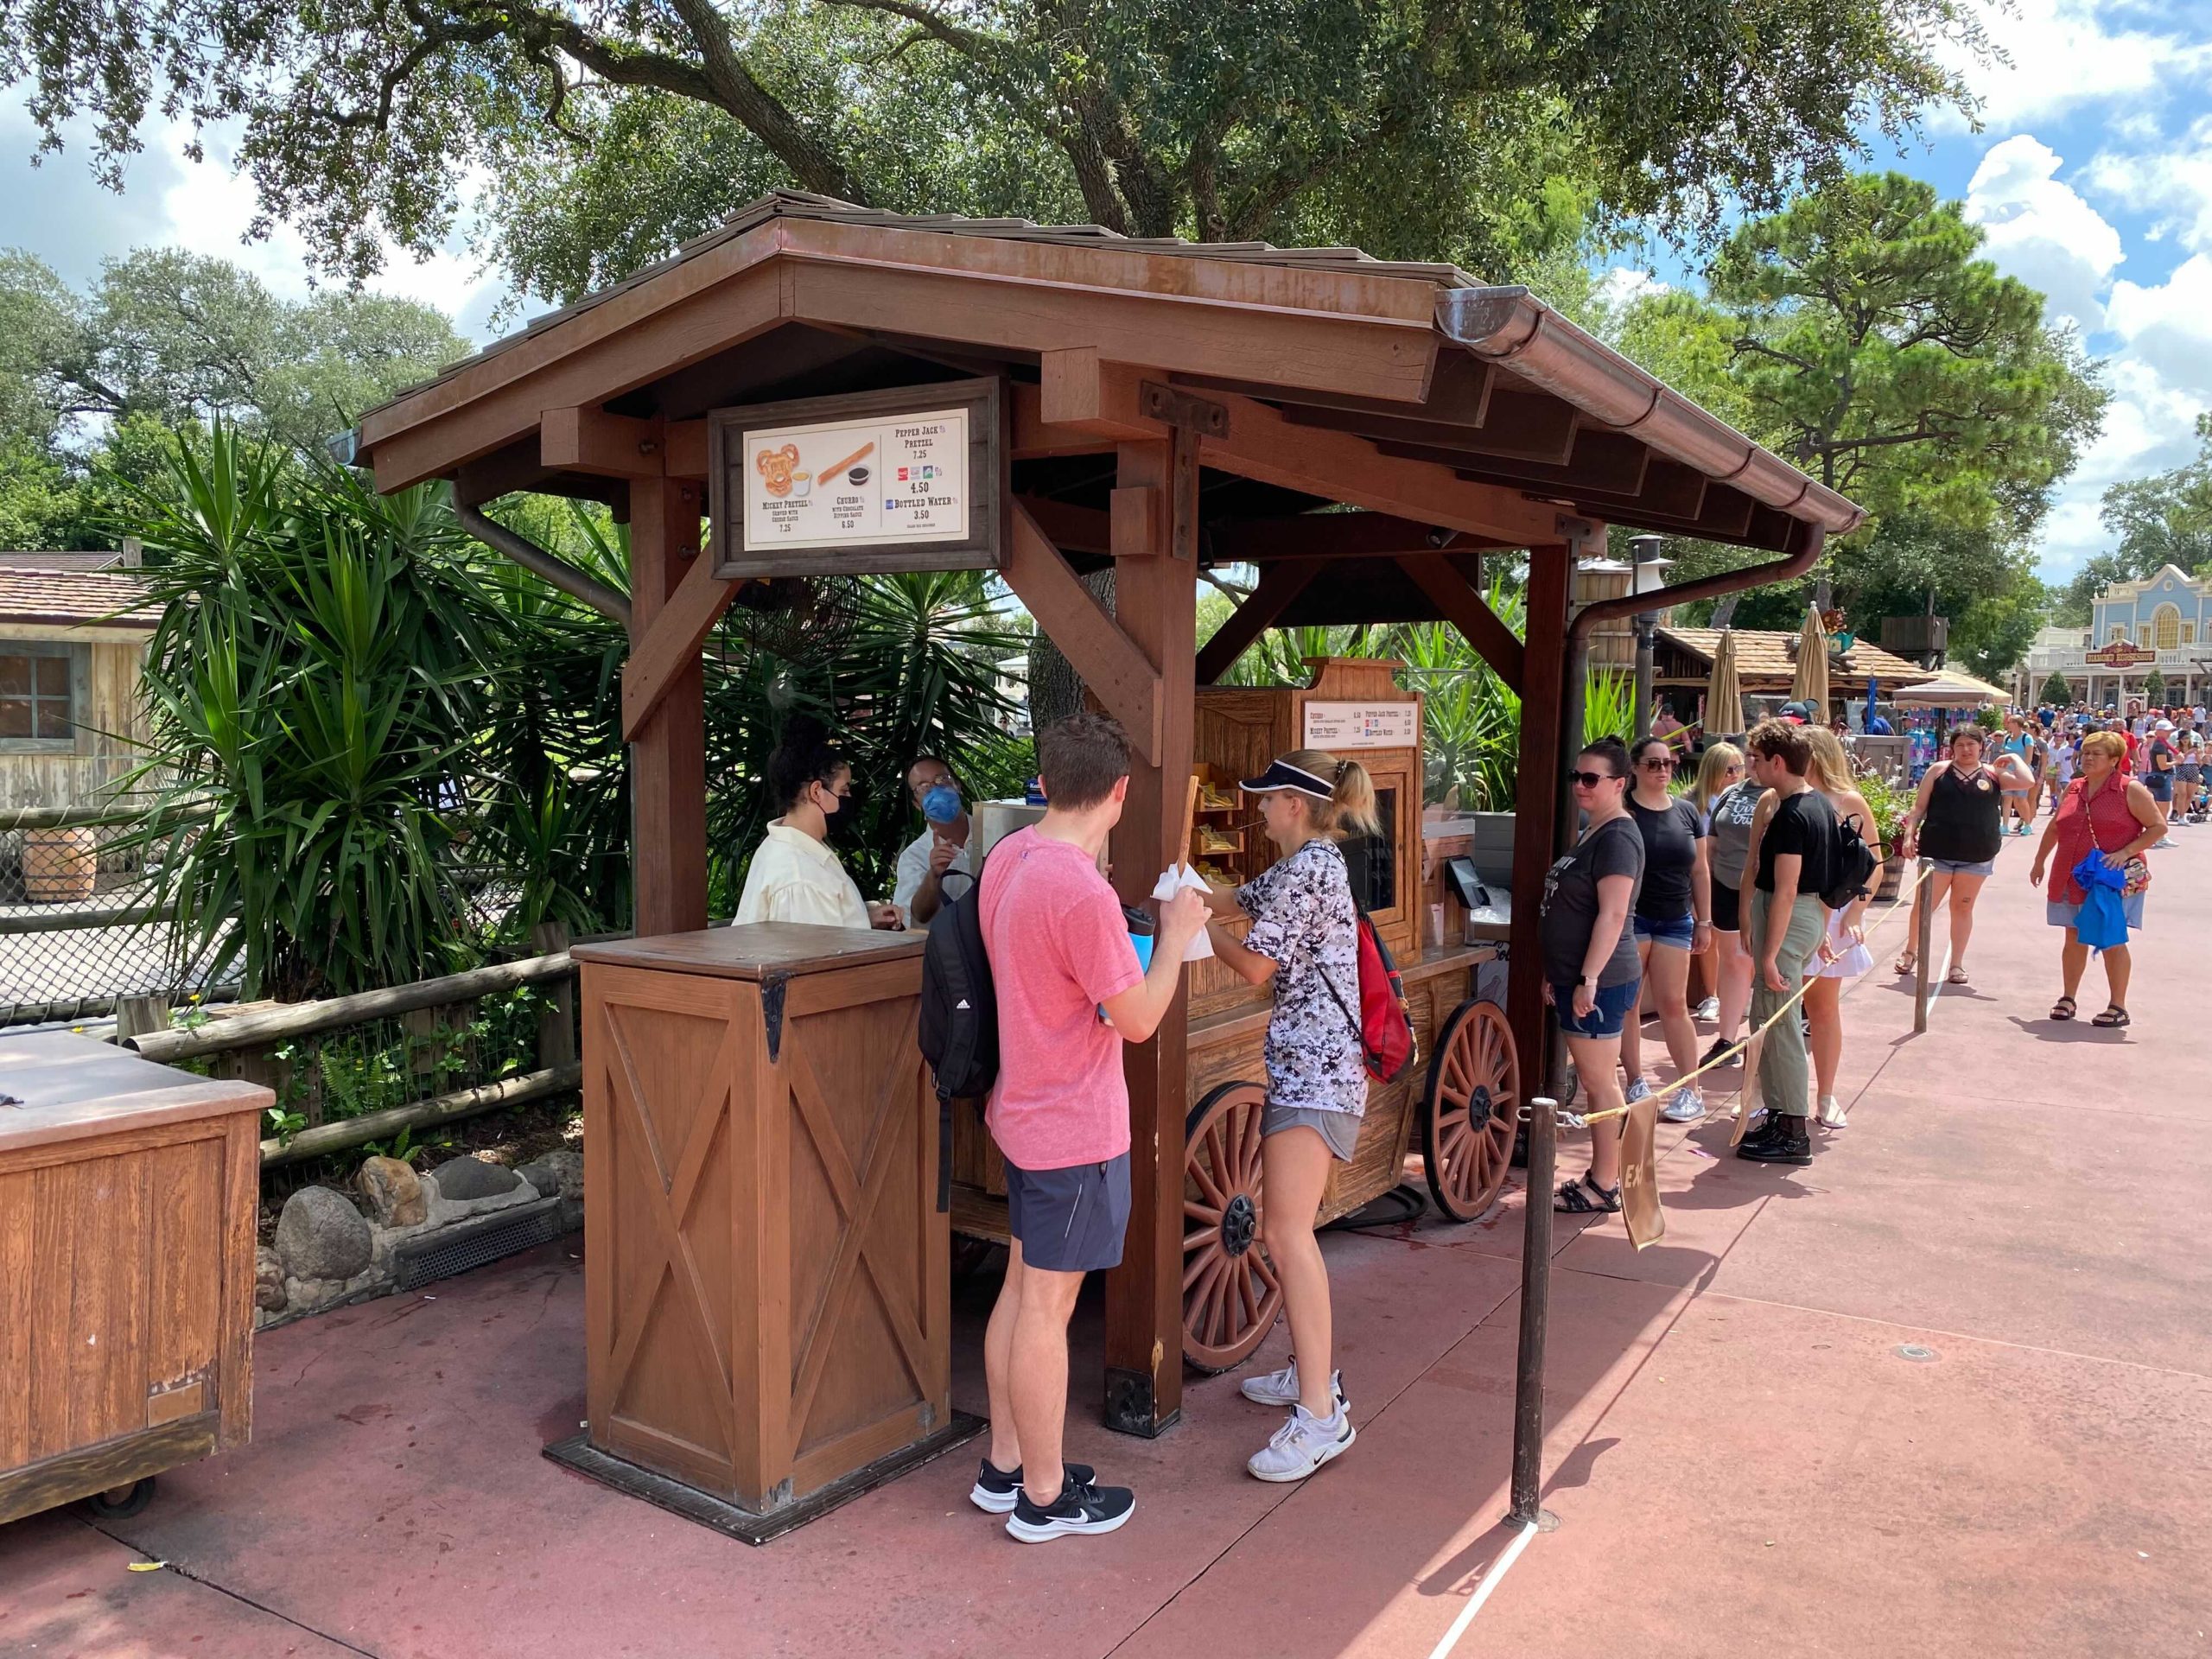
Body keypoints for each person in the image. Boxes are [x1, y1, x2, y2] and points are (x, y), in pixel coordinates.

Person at [976, 714, 1210, 1543]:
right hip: (1074, 1126)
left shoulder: (1010, 856)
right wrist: (1175, 938)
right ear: (1118, 792)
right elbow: (1139, 1018)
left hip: (1023, 1110)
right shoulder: (1080, 891)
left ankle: (1007, 1466)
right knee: (1047, 1308)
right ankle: (1044, 1497)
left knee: (1021, 1289)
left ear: (1043, 782)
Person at [1201, 750, 1379, 1482]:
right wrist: (1188, 889)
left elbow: (1252, 965)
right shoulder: (1307, 863)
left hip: (1319, 1072)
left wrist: (1187, 924)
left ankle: (1321, 1415)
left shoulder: (1312, 869)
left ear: (1295, 805)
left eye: (1265, 799)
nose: (1257, 810)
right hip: (1308, 1067)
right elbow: (1237, 900)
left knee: (1285, 1233)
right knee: (1285, 1226)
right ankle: (1312, 1371)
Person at [1544, 739, 1644, 1215]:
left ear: (1619, 784)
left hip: (1600, 978)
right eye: (1576, 777)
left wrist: (1587, 978)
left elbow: (1613, 914)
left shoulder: (1618, 837)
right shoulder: (1594, 832)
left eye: (1591, 779)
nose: (1580, 786)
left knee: (1599, 1082)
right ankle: (1603, 1175)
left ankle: (1606, 1182)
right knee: (1596, 1079)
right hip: (1576, 975)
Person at [1734, 721, 1837, 1166]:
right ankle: (1781, 1115)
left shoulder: (1795, 813)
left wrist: (1772, 953)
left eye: (1756, 759)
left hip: (1790, 919)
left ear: (1778, 762)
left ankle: (1793, 1127)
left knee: (1783, 1025)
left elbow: (1788, 888)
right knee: (1771, 1021)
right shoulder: (1813, 805)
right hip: (1800, 918)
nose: (1750, 766)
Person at [2031, 729, 2164, 1030]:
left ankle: (2118, 1005)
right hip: (2069, 872)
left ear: (2115, 759)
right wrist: (2039, 861)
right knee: (2072, 935)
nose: (2088, 758)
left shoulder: (2130, 789)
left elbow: (2158, 827)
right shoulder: (2075, 787)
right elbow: (2055, 827)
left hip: (2108, 878)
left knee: (2110, 938)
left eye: (2096, 754)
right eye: (2086, 753)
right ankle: (2068, 997)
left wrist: (2126, 851)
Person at [1891, 726, 2032, 986]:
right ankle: (1911, 951)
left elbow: (2027, 782)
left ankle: (1956, 964)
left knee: (1962, 907)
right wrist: (1909, 835)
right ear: (1952, 748)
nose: (1966, 750)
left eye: (1971, 744)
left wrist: (2014, 758)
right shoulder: (1939, 771)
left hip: (1977, 852)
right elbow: (1918, 807)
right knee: (1924, 905)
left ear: (1981, 746)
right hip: (1938, 850)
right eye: (1960, 745)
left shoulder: (1993, 773)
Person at [1620, 735, 1712, 1122]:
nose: (1662, 770)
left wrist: (1704, 920)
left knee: (1675, 1003)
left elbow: (1700, 870)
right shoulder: (1624, 811)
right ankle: (1635, 1079)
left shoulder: (1689, 812)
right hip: (1633, 915)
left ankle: (1691, 1088)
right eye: (1653, 763)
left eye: (1668, 763)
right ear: (1635, 769)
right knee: (1629, 1002)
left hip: (1676, 917)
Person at [734, 722, 903, 929]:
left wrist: (862, 919)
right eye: (844, 790)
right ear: (816, 792)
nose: (849, 798)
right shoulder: (801, 878)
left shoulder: (786, 848)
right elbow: (818, 956)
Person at [1802, 728, 1885, 1128]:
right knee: (1774, 1010)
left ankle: (1826, 1094)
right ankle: (1769, 1094)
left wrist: (1855, 913)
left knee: (1822, 1007)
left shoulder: (1848, 801)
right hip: (1790, 910)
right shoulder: (1784, 797)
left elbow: (1874, 863)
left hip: (1834, 911)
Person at [1694, 742, 1759, 1070]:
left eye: (1756, 756)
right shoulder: (1734, 794)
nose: (1750, 762)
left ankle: (1767, 1041)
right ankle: (1727, 1040)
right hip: (1726, 886)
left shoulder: (1787, 794)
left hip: (1764, 892)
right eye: (1750, 754)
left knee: (1763, 964)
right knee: (1733, 960)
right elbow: (1713, 841)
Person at [893, 754, 974, 925]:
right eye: (923, 787)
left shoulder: (995, 833)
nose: (936, 790)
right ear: (916, 803)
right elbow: (917, 917)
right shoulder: (914, 857)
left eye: (942, 779)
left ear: (957, 785)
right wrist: (934, 875)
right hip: (946, 949)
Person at [1998, 715, 2037, 837]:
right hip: (2008, 773)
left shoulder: (2027, 738)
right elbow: (2004, 755)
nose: (2007, 724)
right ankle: (2004, 825)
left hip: (2021, 773)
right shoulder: (2007, 738)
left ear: (2016, 724)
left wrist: (2019, 771)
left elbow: (2029, 758)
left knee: (2020, 799)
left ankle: (2027, 824)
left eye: (2010, 722)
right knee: (2007, 798)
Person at [2143, 719, 2178, 848]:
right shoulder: (2160, 745)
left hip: (2159, 777)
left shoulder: (2162, 744)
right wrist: (2176, 762)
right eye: (2167, 730)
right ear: (2159, 731)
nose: (2169, 733)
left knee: (2160, 810)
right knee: (2163, 811)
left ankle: (2159, 836)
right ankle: (2161, 836)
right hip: (2161, 778)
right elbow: (2163, 766)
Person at [1651, 701, 1691, 774]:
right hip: (1673, 760)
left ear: (1661, 713)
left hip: (1657, 759)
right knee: (1673, 781)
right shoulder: (1680, 726)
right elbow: (1687, 745)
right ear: (1673, 713)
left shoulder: (1654, 726)